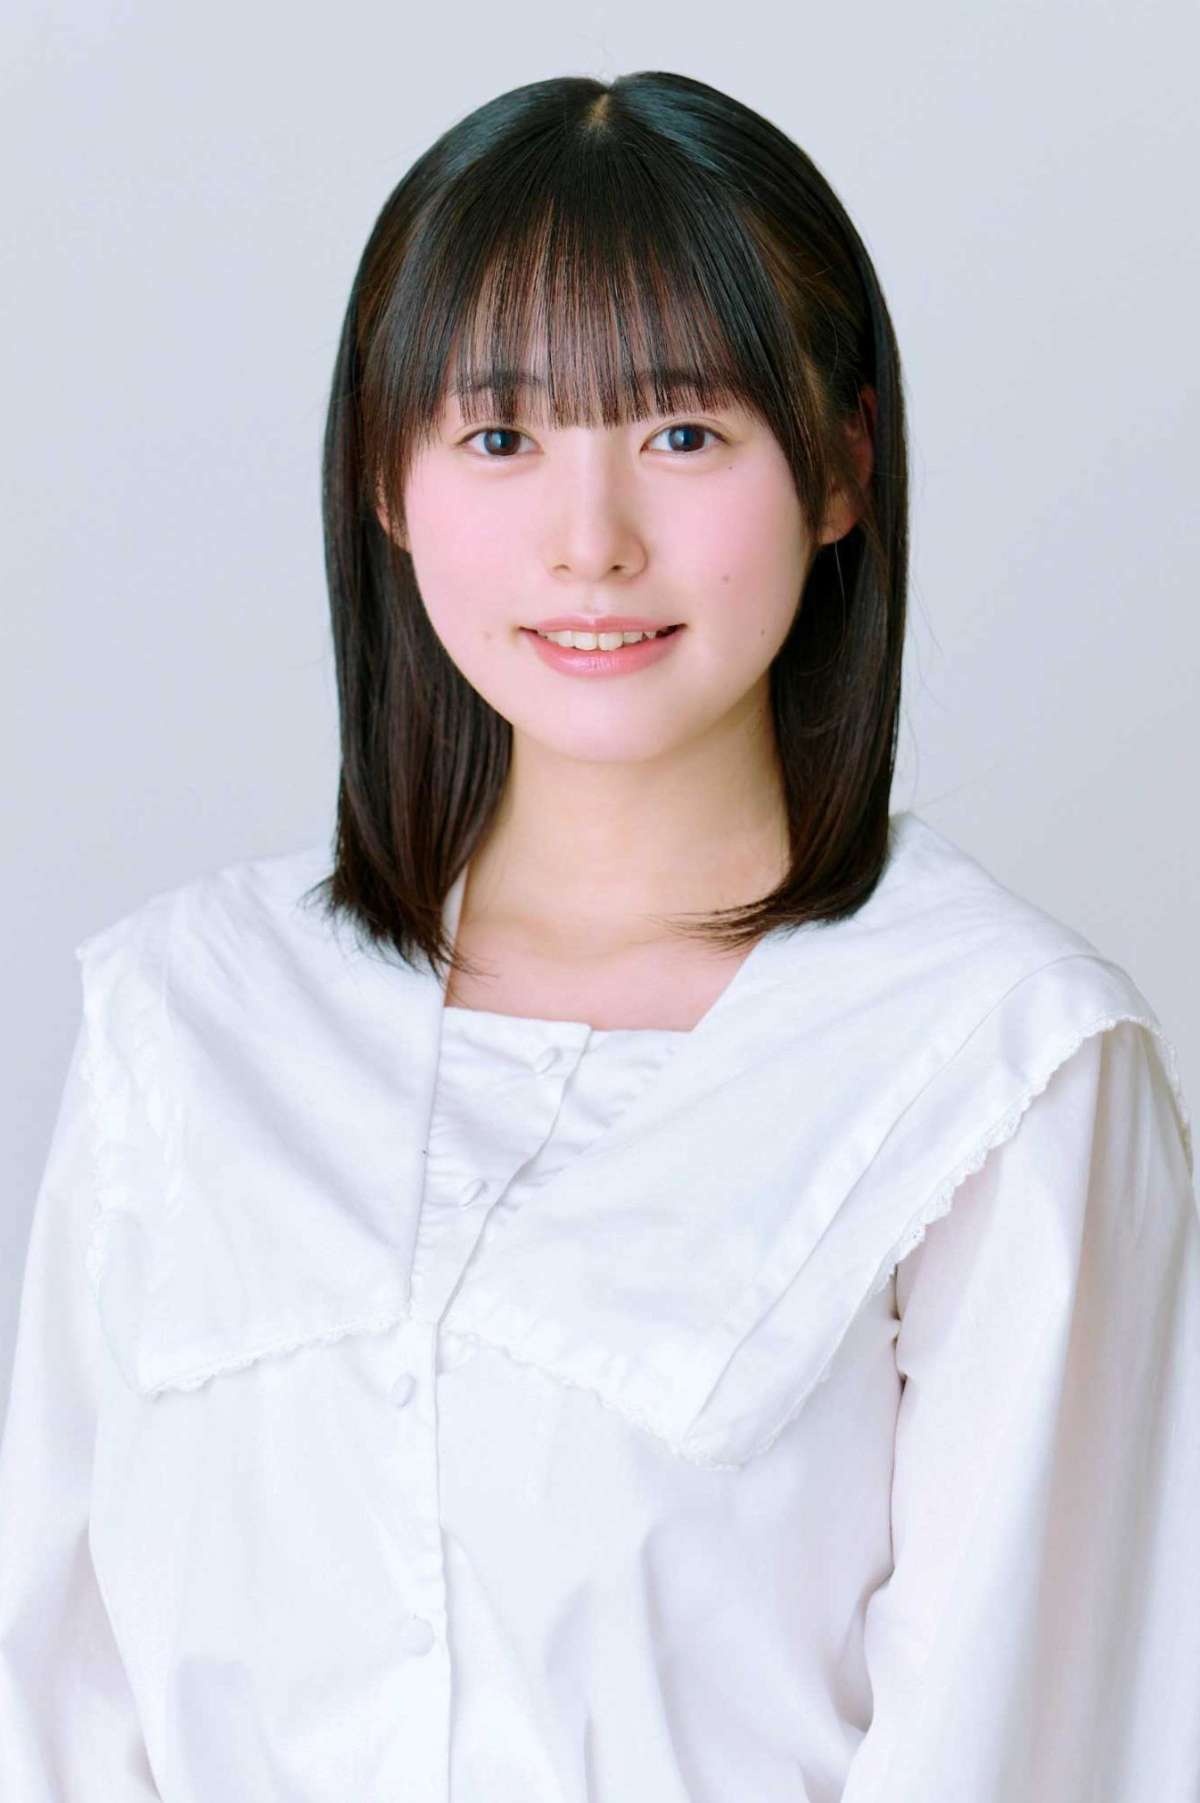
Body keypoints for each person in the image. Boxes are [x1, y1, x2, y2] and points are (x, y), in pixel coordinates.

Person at [2, 68, 1197, 1803]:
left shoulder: (1004, 1069)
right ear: (387, 481)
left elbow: (1035, 1747)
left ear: (842, 467)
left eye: (683, 433)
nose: (591, 544)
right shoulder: (188, 1018)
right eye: (500, 439)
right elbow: (53, 1700)